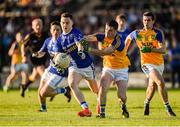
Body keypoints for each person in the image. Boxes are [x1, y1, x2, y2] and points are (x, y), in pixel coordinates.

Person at [125, 11, 176, 116]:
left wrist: (150, 49)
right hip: (146, 64)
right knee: (160, 82)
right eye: (144, 20)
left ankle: (146, 103)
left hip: (159, 63)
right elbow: (128, 38)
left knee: (152, 86)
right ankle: (168, 108)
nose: (146, 22)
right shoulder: (137, 33)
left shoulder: (158, 33)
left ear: (153, 21)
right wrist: (124, 53)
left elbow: (163, 50)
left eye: (148, 20)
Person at [84, 19, 130, 118]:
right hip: (108, 68)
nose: (107, 33)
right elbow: (88, 38)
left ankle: (123, 105)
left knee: (122, 96)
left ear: (116, 31)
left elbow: (104, 52)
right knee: (102, 89)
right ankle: (102, 113)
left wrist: (87, 49)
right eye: (106, 29)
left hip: (121, 69)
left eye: (110, 31)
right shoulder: (102, 36)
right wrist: (79, 40)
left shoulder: (118, 41)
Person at [56, 12, 99, 117]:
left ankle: (100, 107)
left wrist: (80, 50)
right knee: (72, 84)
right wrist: (58, 64)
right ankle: (86, 109)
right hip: (74, 66)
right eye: (63, 23)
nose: (65, 25)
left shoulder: (76, 33)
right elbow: (58, 55)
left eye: (67, 23)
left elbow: (79, 43)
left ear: (72, 23)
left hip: (87, 65)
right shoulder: (60, 39)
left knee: (95, 90)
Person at [32, 21, 71, 112]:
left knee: (44, 93)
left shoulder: (64, 42)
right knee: (40, 91)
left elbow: (70, 56)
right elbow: (42, 52)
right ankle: (43, 109)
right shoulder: (48, 41)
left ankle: (64, 90)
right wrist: (37, 54)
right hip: (50, 69)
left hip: (60, 73)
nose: (56, 31)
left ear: (61, 31)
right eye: (54, 30)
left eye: (58, 30)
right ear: (51, 31)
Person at [21, 18, 49, 97]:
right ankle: (45, 92)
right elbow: (23, 45)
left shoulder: (45, 34)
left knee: (34, 77)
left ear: (42, 25)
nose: (38, 26)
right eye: (36, 25)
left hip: (43, 58)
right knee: (44, 74)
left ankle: (24, 86)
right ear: (33, 26)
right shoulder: (30, 36)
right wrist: (23, 56)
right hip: (35, 59)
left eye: (39, 25)